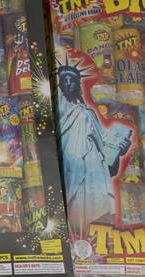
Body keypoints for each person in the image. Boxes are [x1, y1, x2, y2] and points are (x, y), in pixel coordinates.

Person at [56, 55, 133, 234]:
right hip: (71, 166)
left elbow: (104, 143)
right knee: (74, 209)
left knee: (98, 208)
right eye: (64, 80)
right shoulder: (59, 110)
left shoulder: (88, 112)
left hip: (94, 167)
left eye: (72, 79)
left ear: (78, 85)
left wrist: (119, 147)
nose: (68, 82)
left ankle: (99, 243)